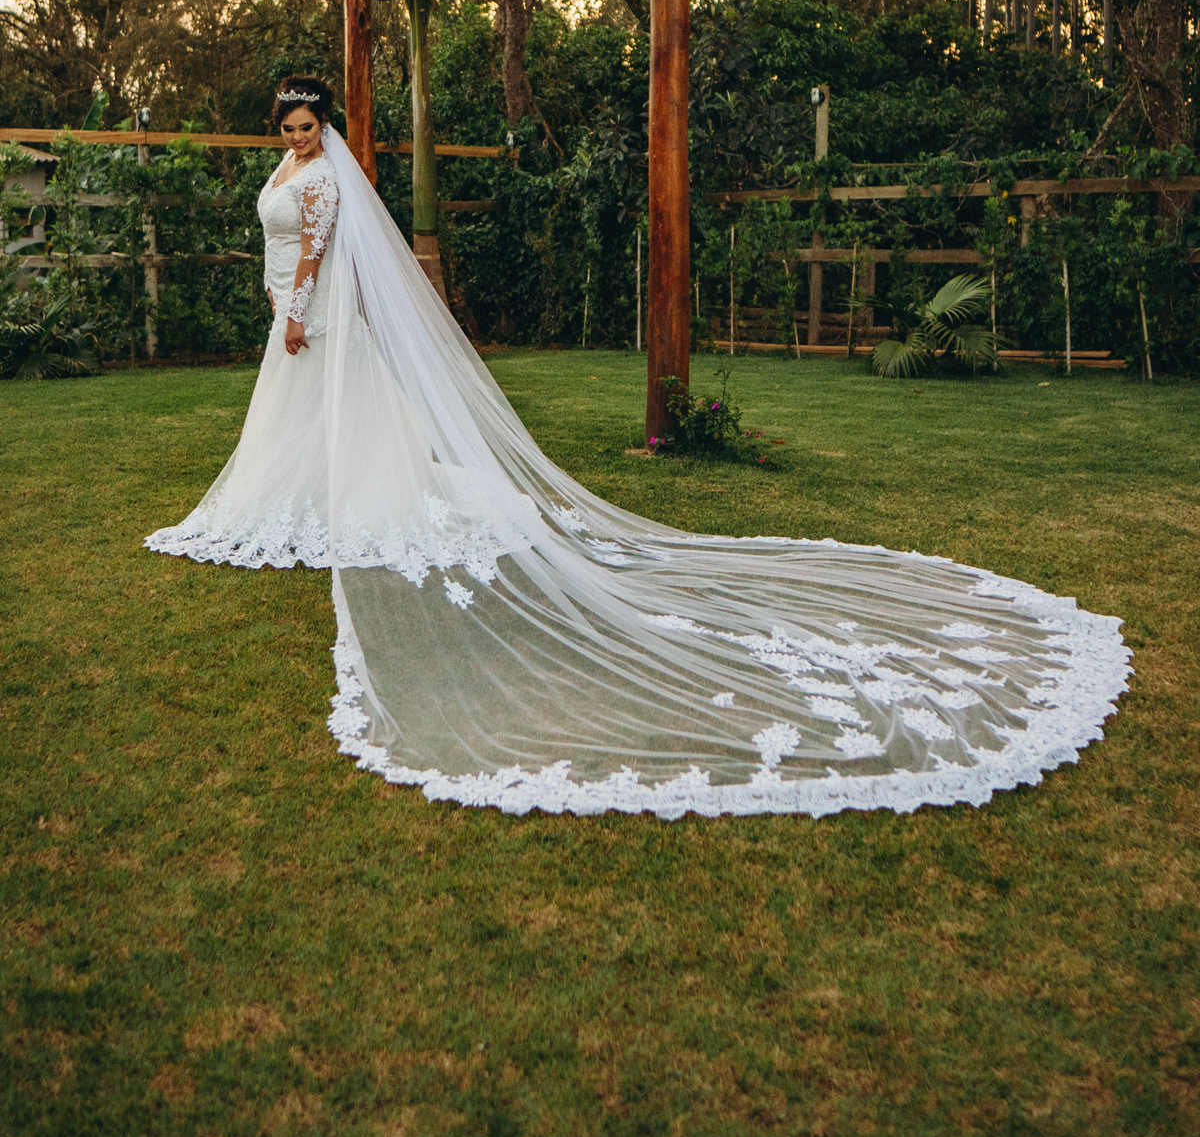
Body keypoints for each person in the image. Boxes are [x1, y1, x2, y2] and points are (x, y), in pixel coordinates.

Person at [148, 75, 1130, 819]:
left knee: (337, 399)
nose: (297, 139)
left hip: (312, 307)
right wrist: (276, 292)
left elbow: (318, 250)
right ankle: (302, 491)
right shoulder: (286, 172)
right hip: (288, 303)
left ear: (324, 128)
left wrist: (298, 307)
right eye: (287, 129)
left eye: (306, 127)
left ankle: (355, 490)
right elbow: (280, 238)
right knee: (299, 413)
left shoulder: (326, 181)